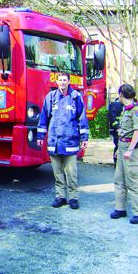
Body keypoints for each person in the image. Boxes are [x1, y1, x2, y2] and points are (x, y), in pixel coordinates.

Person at [37, 72, 89, 209]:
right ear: (57, 82)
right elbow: (43, 118)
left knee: (71, 172)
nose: (62, 82)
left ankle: (73, 198)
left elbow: (82, 118)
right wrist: (40, 136)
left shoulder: (75, 97)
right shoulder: (51, 97)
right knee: (58, 173)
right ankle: (60, 197)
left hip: (70, 142)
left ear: (69, 81)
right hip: (54, 142)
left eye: (64, 80)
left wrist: (84, 138)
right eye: (60, 80)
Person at [110, 84, 138, 224]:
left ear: (121, 94)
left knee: (132, 181)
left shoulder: (137, 110)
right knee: (119, 180)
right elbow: (124, 132)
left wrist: (130, 150)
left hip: (131, 148)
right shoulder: (126, 109)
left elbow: (137, 131)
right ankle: (120, 209)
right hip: (123, 146)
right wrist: (120, 149)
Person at [108, 97, 124, 165]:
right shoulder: (115, 105)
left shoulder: (129, 105)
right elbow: (112, 118)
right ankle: (117, 162)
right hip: (117, 130)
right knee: (118, 145)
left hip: (125, 130)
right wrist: (117, 128)